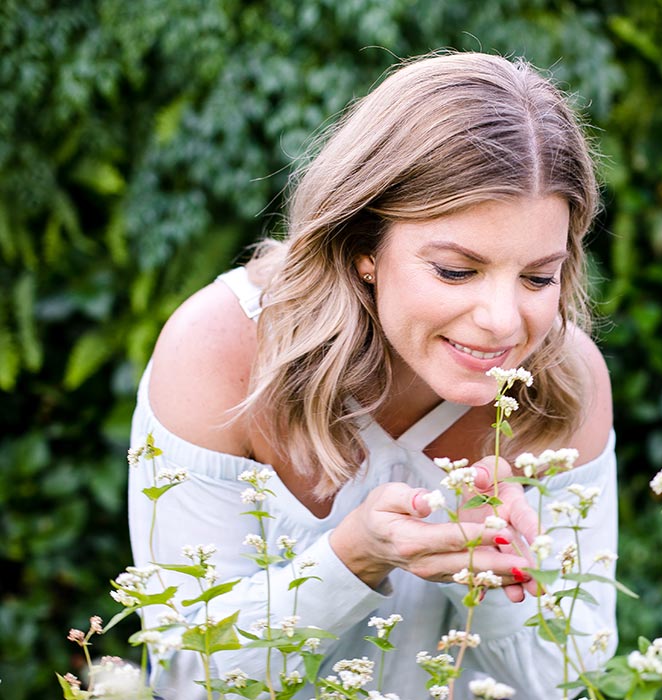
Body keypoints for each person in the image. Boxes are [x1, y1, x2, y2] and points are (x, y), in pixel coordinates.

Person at [127, 51, 617, 700]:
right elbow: (193, 678)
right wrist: (353, 556)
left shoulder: (563, 381)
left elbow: (569, 678)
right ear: (364, 245)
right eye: (455, 270)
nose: (502, 322)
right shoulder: (219, 353)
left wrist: (499, 573)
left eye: (537, 276)